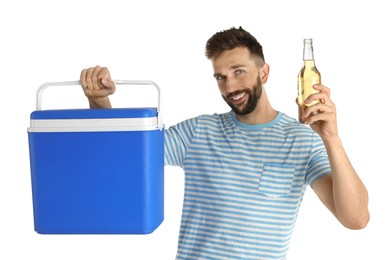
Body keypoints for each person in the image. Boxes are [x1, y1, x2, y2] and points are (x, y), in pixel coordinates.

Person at [79, 27, 369, 260]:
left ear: (264, 73)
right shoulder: (199, 131)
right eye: (221, 77)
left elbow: (356, 219)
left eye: (239, 72)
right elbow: (121, 156)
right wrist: (99, 100)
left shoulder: (302, 139)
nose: (230, 87)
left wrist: (331, 137)